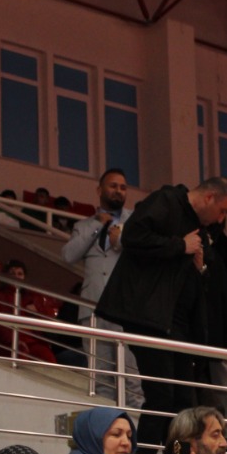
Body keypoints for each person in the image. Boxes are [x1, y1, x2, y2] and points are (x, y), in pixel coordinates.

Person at [94, 176, 227, 445]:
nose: (221, 219)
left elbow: (202, 275)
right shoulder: (167, 201)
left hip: (179, 323)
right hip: (150, 318)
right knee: (161, 396)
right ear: (209, 197)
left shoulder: (200, 228)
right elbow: (133, 235)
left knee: (184, 401)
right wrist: (179, 245)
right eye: (222, 211)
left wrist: (200, 267)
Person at [61, 168, 143, 406]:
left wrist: (122, 241)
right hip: (93, 309)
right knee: (100, 379)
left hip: (126, 310)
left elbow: (146, 253)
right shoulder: (84, 225)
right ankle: (108, 426)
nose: (118, 191)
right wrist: (98, 225)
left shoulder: (136, 220)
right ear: (99, 190)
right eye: (113, 186)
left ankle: (136, 425)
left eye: (123, 187)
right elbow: (68, 255)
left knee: (132, 377)